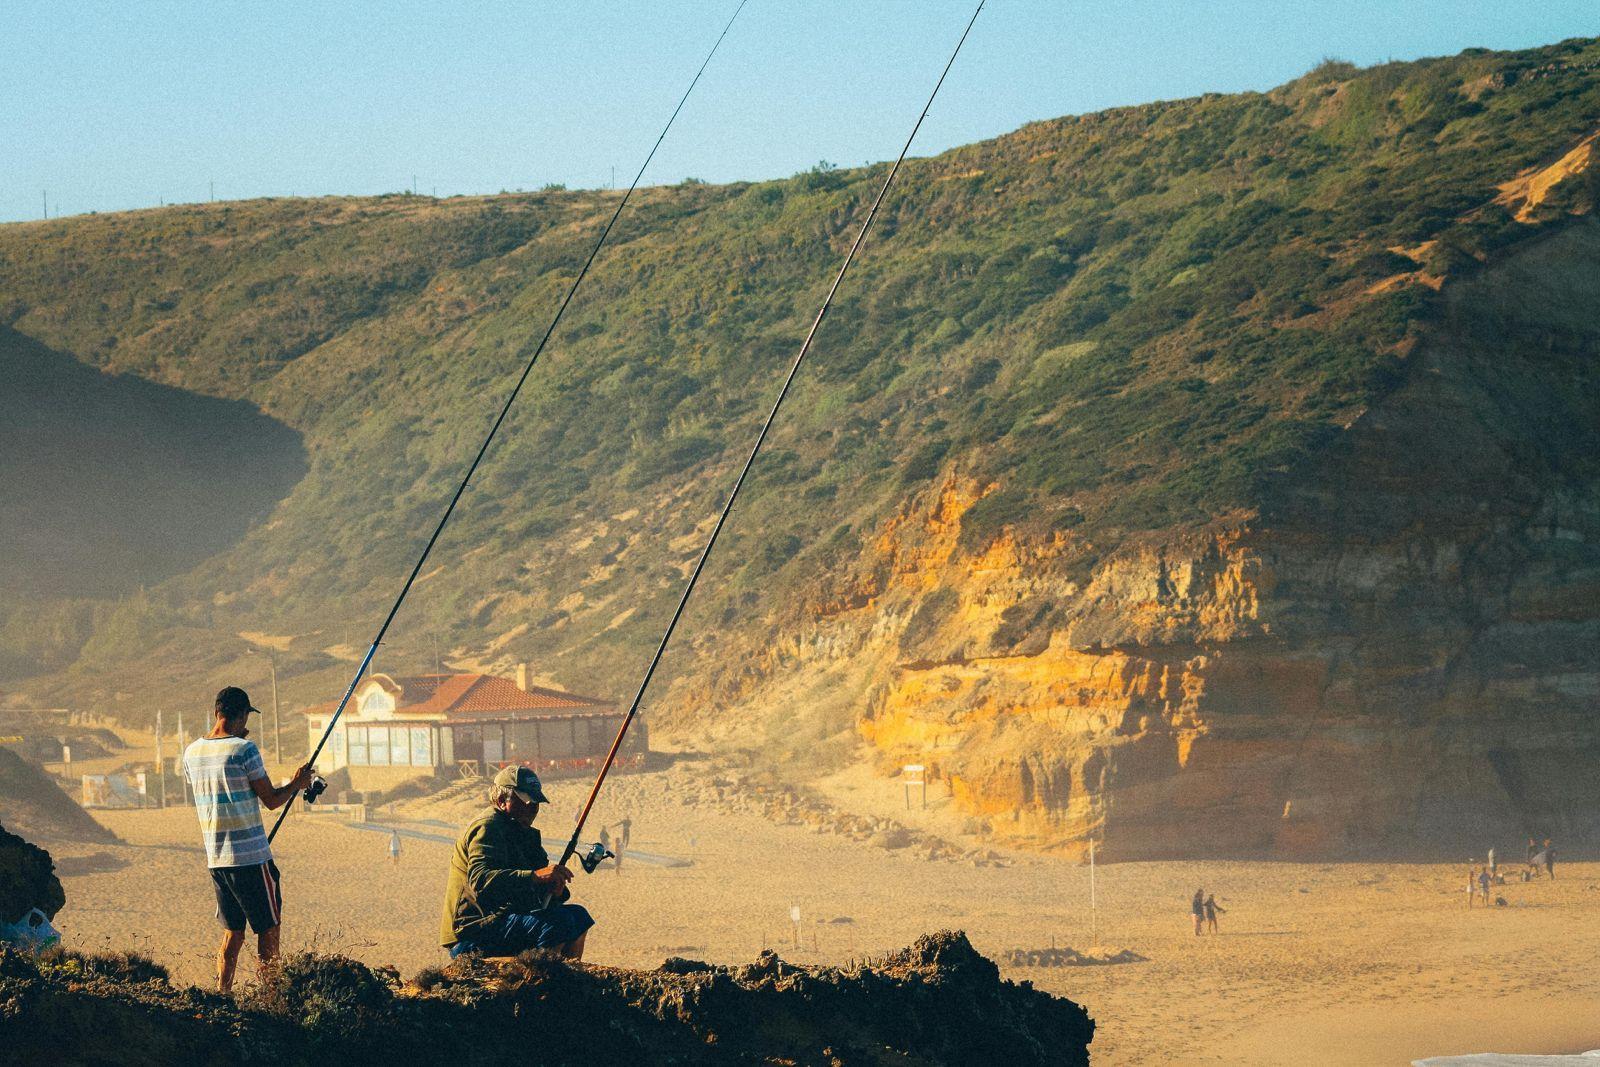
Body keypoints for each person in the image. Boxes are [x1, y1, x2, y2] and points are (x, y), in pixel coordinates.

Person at [182, 686, 314, 994]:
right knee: (268, 929)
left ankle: (223, 992)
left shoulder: (191, 752)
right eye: (245, 717)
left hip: (217, 860)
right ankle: (272, 995)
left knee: (233, 932)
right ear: (241, 715)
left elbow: (218, 782)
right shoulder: (245, 750)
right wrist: (297, 783)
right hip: (251, 858)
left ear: (217, 712)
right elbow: (270, 799)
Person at [440, 766, 594, 960]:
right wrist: (536, 876)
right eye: (527, 801)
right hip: (473, 932)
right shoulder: (488, 827)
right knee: (557, 923)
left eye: (536, 802)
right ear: (502, 801)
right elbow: (481, 879)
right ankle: (545, 982)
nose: (533, 808)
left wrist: (554, 890)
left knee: (579, 917)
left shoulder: (524, 832)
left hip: (504, 921)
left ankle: (569, 978)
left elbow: (533, 888)